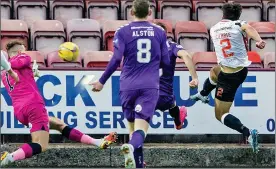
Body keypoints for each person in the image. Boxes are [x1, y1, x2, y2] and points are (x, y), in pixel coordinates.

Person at [1, 41, 117, 167]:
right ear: (18, 52)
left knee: (58, 124)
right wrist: (18, 62)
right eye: (23, 51)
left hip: (19, 111)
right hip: (33, 105)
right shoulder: (22, 58)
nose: (25, 54)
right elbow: (21, 62)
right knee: (41, 145)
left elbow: (19, 80)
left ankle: (97, 142)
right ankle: (10, 158)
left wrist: (31, 73)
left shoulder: (3, 73)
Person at [91, 0, 170, 167]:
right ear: (150, 13)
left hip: (127, 85)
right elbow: (166, 61)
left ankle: (138, 164)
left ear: (131, 12)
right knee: (141, 131)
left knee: (132, 129)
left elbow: (116, 59)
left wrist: (101, 81)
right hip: (149, 85)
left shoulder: (123, 31)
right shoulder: (159, 32)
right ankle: (131, 147)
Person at [190, 3, 266, 153]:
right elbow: (249, 29)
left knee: (220, 114)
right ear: (238, 15)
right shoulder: (239, 24)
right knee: (214, 71)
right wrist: (259, 40)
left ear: (223, 14)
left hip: (229, 78)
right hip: (239, 70)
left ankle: (248, 133)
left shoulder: (213, 29)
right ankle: (203, 94)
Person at [154, 22, 199, 130]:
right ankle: (178, 122)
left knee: (137, 120)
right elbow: (186, 56)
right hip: (165, 97)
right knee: (172, 104)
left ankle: (131, 141)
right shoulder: (172, 46)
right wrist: (194, 78)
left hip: (145, 94)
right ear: (165, 34)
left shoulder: (142, 48)